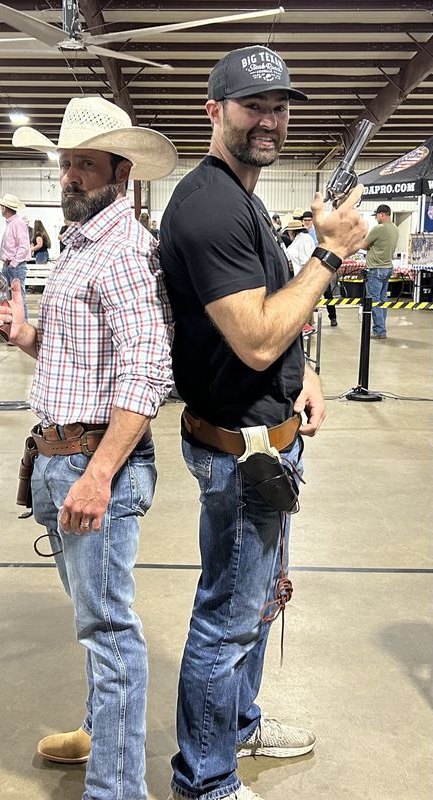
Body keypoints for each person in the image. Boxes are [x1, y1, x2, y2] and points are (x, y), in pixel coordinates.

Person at [159, 45, 367, 800]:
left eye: (279, 107)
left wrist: (300, 374)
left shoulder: (241, 197)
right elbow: (252, 337)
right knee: (227, 618)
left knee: (253, 606)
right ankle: (205, 780)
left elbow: (266, 319)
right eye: (253, 106)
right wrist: (330, 253)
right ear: (213, 111)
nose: (270, 120)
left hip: (265, 441)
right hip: (241, 455)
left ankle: (238, 724)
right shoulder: (210, 206)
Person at [0, 95, 177, 800]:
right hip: (57, 456)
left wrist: (97, 476)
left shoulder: (124, 251)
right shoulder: (80, 243)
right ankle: (103, 733)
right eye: (66, 163)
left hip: (94, 464)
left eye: (85, 165)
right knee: (95, 623)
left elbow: (146, 373)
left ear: (120, 173)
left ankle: (117, 789)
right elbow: (75, 358)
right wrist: (23, 336)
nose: (69, 176)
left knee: (108, 630)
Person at [362, 203, 399, 339]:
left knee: (374, 301)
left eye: (376, 215)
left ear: (382, 214)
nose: (375, 218)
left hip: (375, 268)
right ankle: (381, 328)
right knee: (383, 300)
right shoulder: (395, 228)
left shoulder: (378, 228)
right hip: (387, 267)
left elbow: (363, 245)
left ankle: (380, 330)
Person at [0, 193, 31, 320]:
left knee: (18, 297)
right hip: (11, 265)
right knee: (9, 297)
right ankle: (15, 323)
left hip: (15, 266)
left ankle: (22, 324)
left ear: (4, 208)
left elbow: (24, 247)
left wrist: (13, 263)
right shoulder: (13, 223)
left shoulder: (17, 223)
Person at [303, 210, 338, 326]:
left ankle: (333, 317)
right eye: (305, 220)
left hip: (320, 266)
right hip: (307, 267)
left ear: (312, 221)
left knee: (327, 293)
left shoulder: (317, 233)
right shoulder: (302, 234)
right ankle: (307, 321)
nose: (307, 222)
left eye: (309, 220)